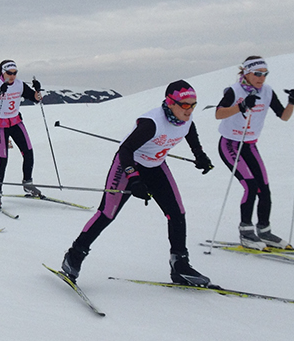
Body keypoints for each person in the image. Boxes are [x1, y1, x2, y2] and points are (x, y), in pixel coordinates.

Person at [60, 80, 215, 287]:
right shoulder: (152, 123)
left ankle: (180, 265)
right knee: (107, 213)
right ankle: (74, 256)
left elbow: (189, 130)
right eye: (185, 104)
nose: (190, 109)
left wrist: (199, 154)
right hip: (128, 164)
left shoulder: (185, 118)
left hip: (155, 166)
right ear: (170, 103)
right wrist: (133, 178)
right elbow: (125, 150)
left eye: (193, 104)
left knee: (177, 213)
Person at [214, 56, 294, 250]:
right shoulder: (234, 91)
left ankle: (264, 231)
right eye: (257, 74)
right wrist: (241, 106)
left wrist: (292, 102)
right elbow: (218, 113)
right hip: (230, 144)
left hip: (250, 145)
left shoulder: (267, 91)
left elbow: (284, 116)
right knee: (250, 186)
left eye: (265, 74)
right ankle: (246, 232)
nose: (261, 78)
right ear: (246, 73)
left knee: (264, 189)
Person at [0, 60, 42, 207]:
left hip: (16, 122)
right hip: (0, 125)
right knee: (2, 159)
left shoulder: (20, 84)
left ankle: (28, 183)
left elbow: (35, 99)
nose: (12, 76)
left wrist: (37, 90)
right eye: (9, 73)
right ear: (3, 73)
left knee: (28, 152)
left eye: (15, 73)